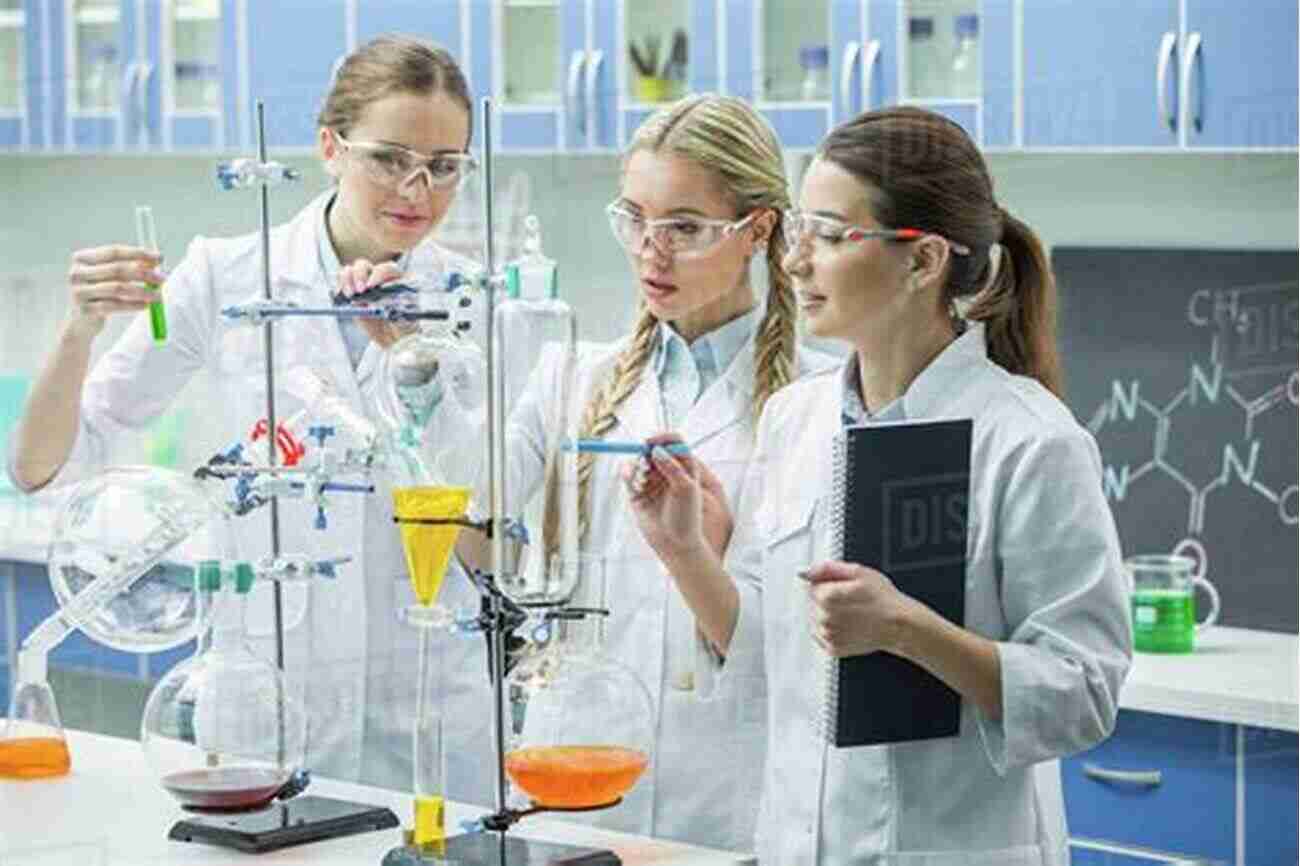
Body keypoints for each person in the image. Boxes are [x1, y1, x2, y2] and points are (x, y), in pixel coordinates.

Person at [624, 106, 1132, 865]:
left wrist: (907, 630)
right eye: (800, 231)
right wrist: (686, 552)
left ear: (923, 261)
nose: (794, 263)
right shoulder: (796, 418)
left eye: (829, 237)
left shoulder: (1030, 440)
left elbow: (1082, 694)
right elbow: (774, 657)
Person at [341, 94, 837, 852]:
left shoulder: (821, 402)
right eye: (634, 219)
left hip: (729, 788)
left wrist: (692, 552)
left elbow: (800, 652)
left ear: (758, 229)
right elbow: (472, 514)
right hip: (570, 767)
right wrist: (410, 364)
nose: (650, 250)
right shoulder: (572, 375)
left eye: (684, 227)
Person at [7, 34, 498, 799]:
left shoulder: (475, 299)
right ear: (329, 146)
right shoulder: (227, 275)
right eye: (389, 158)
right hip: (269, 695)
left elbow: (491, 520)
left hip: (430, 704)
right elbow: (50, 465)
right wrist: (80, 328)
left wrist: (417, 370)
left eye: (445, 167)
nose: (418, 190)